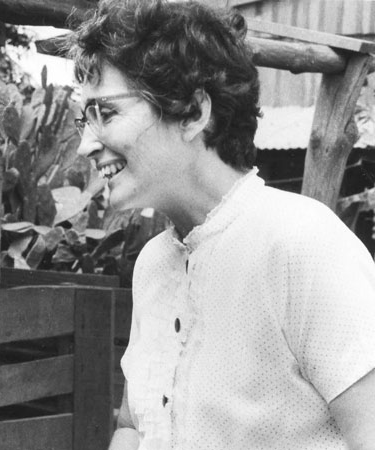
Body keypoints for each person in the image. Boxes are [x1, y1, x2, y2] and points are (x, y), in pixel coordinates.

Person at [68, 1, 375, 449]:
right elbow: (135, 426)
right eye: (84, 118)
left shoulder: (304, 244)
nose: (85, 146)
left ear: (193, 112)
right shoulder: (154, 263)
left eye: (107, 113)